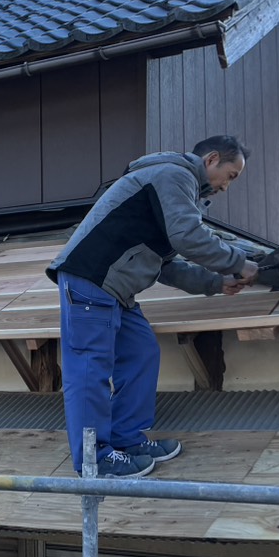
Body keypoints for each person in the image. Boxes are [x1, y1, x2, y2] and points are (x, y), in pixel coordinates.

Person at [46, 135, 260, 478]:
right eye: (231, 175)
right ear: (212, 159)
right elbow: (188, 238)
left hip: (117, 289)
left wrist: (216, 283)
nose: (227, 186)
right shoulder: (173, 175)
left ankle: (126, 439)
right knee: (89, 371)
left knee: (142, 352)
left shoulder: (180, 191)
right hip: (91, 280)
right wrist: (237, 263)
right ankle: (94, 459)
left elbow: (166, 265)